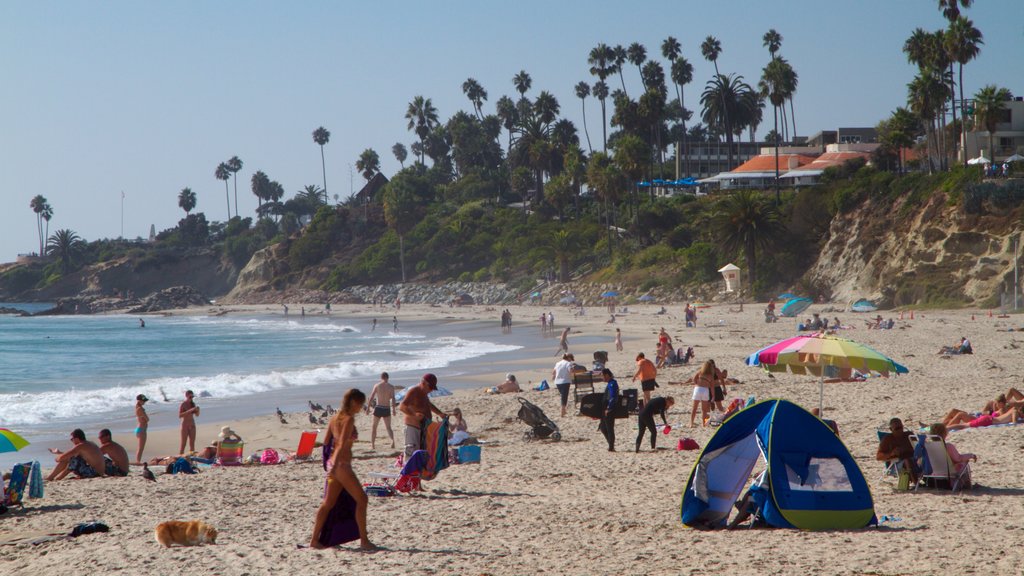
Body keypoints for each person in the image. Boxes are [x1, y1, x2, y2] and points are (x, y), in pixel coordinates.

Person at [310, 389, 375, 551]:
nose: (361, 408)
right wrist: (335, 464)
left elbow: (326, 443)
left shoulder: (334, 419)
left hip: (334, 465)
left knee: (328, 504)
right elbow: (340, 443)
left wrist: (329, 464)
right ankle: (364, 541)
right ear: (353, 402)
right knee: (362, 499)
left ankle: (314, 541)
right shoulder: (349, 419)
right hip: (342, 466)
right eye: (360, 404)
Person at [398, 374, 448, 459]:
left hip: (423, 428)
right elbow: (402, 406)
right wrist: (414, 415)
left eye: (433, 388)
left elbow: (428, 404)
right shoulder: (414, 391)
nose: (431, 390)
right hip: (412, 427)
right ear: (423, 383)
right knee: (411, 453)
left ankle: (419, 471)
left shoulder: (424, 393)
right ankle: (408, 471)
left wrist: (440, 413)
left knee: (421, 454)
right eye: (430, 387)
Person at [876, 418, 918, 486]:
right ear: (891, 429)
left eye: (900, 427)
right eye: (897, 428)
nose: (899, 430)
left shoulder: (909, 435)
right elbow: (878, 457)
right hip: (896, 464)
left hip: (913, 459)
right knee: (907, 461)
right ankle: (916, 483)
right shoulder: (888, 439)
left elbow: (917, 447)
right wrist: (891, 454)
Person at [366, 372, 397, 450]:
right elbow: (393, 398)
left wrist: (368, 408)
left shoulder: (377, 385)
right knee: (388, 427)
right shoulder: (391, 387)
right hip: (386, 408)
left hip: (378, 408)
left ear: (381, 378)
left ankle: (373, 445)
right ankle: (392, 441)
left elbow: (371, 397)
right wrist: (393, 409)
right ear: (387, 378)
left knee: (374, 427)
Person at [597, 368, 619, 452]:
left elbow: (613, 397)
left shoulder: (612, 384)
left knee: (610, 428)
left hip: (609, 410)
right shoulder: (610, 383)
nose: (602, 378)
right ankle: (610, 444)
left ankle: (611, 446)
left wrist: (609, 408)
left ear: (606, 375)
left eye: (602, 376)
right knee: (603, 427)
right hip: (605, 409)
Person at [689, 361, 715, 427]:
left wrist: (697, 383)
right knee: (704, 410)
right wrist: (713, 396)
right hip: (705, 390)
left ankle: (691, 423)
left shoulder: (700, 372)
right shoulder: (711, 376)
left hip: (698, 389)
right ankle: (703, 423)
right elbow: (712, 387)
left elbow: (694, 379)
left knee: (694, 408)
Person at [178, 390, 199, 455]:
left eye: (192, 397)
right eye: (190, 397)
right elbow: (180, 415)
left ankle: (192, 460)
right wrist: (190, 410)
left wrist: (198, 410)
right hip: (185, 425)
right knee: (183, 444)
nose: (191, 398)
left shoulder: (193, 404)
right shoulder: (183, 404)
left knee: (192, 444)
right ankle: (180, 459)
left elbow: (197, 415)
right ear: (186, 396)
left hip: (192, 424)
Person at [134, 393, 150, 464]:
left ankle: (138, 460)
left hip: (140, 428)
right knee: (141, 447)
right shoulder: (140, 409)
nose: (144, 402)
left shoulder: (138, 407)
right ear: (139, 400)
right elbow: (147, 419)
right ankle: (138, 461)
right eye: (143, 401)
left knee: (140, 447)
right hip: (141, 429)